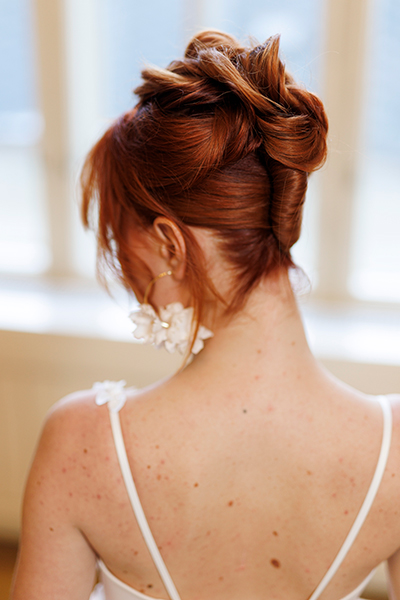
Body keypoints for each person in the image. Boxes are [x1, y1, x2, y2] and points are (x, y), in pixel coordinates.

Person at [11, 30, 400, 600]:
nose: (123, 269)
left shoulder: (83, 444)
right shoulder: (393, 450)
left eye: (120, 240)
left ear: (169, 244)